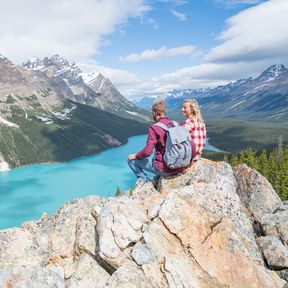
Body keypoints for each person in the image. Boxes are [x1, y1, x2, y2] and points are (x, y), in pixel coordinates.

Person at [128, 100, 186, 186]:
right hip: (179, 167)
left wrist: (136, 156)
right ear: (164, 112)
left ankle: (147, 184)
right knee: (156, 158)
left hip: (165, 169)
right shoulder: (176, 124)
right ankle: (156, 178)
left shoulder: (154, 128)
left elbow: (147, 151)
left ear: (154, 113)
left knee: (131, 161)